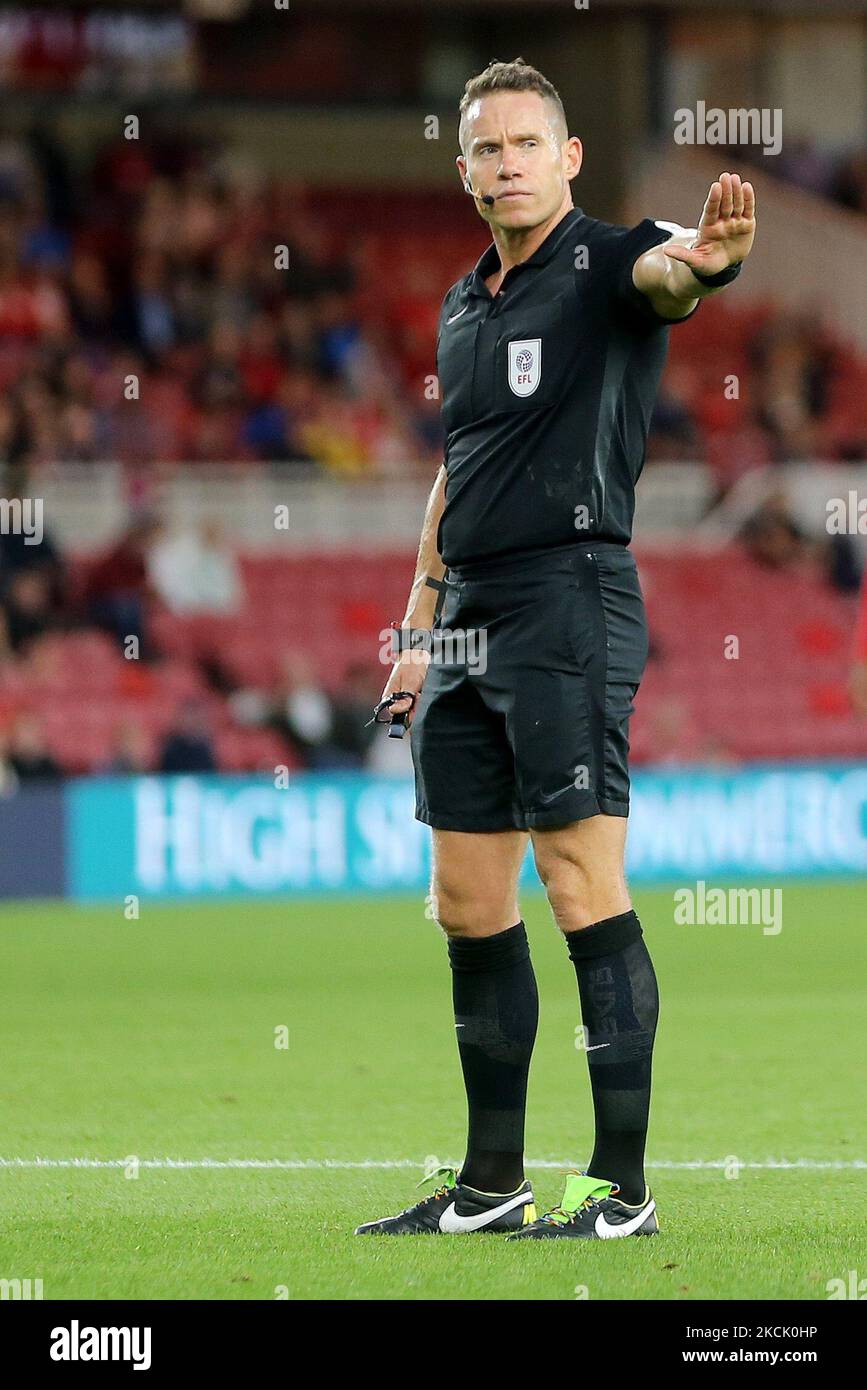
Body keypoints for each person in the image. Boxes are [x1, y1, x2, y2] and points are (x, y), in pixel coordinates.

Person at [356, 59, 755, 1240]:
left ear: (568, 156)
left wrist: (712, 259)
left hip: (570, 597)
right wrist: (419, 632)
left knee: (581, 883)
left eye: (530, 143)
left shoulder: (606, 260)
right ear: (465, 169)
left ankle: (618, 1188)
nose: (509, 163)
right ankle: (490, 1184)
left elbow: (672, 276)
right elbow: (454, 473)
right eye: (488, 148)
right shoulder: (462, 304)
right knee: (466, 899)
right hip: (467, 612)